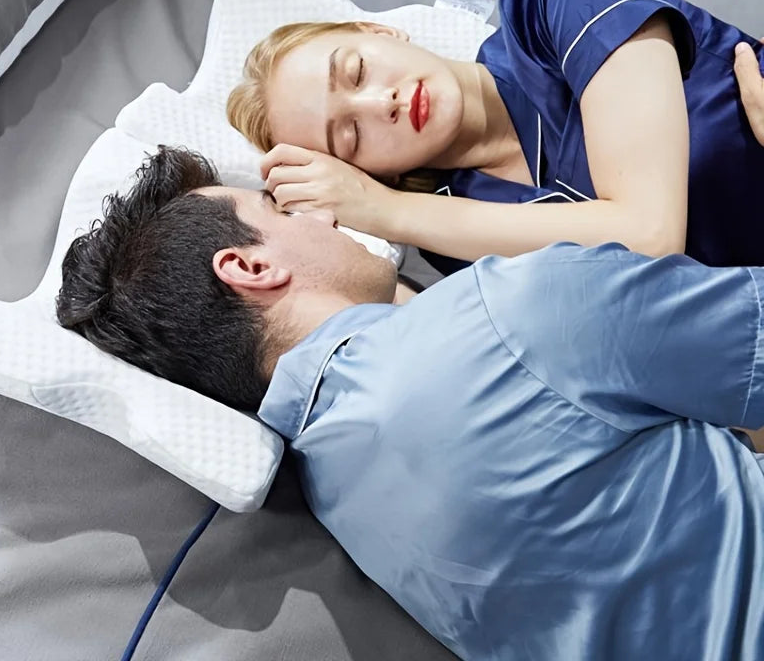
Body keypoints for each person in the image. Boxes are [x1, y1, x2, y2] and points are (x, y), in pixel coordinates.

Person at [57, 145, 764, 661]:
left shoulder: (337, 501)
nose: (322, 218)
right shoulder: (509, 312)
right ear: (251, 266)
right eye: (278, 209)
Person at [227, 0, 764, 274]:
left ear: (379, 31)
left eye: (357, 70)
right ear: (363, 174)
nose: (379, 103)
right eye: (350, 136)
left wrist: (390, 212)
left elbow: (650, 235)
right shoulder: (452, 232)